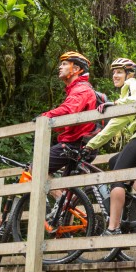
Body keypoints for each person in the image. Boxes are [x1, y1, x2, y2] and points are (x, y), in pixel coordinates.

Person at [81, 58, 136, 236]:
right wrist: (91, 145)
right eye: (113, 72)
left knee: (117, 177)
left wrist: (116, 104)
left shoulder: (134, 84)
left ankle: (113, 228)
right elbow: (114, 125)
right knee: (114, 162)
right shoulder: (125, 97)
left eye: (119, 72)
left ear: (130, 73)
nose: (115, 76)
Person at [38, 51, 99, 184]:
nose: (60, 67)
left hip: (75, 144)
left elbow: (68, 110)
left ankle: (63, 203)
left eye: (65, 64)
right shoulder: (77, 89)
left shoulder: (81, 89)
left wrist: (44, 117)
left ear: (76, 69)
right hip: (80, 143)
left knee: (36, 168)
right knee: (68, 189)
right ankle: (65, 203)